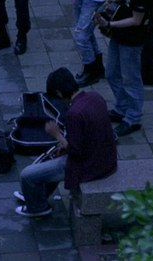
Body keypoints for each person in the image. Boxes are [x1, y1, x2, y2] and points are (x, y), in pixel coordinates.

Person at [14, 67, 117, 217]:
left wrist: (57, 135)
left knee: (26, 175)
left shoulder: (74, 114)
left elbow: (76, 152)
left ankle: (37, 207)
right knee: (53, 159)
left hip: (89, 166)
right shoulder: (95, 97)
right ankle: (37, 195)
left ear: (59, 93)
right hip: (107, 159)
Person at [93, 0, 153, 138]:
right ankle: (122, 107)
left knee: (131, 78)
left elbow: (136, 20)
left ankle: (133, 117)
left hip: (132, 39)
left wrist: (109, 25)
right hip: (120, 34)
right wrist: (107, 3)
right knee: (111, 73)